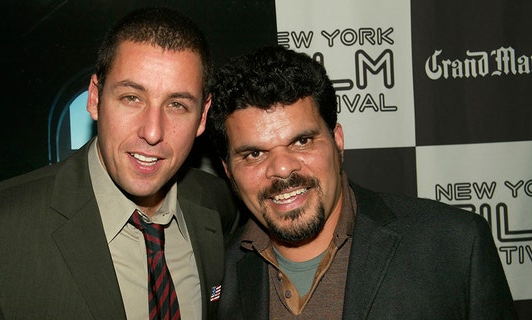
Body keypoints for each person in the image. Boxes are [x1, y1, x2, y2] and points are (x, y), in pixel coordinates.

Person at [0, 7, 237, 320]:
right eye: (132, 98)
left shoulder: (214, 204)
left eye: (177, 104)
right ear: (94, 98)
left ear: (202, 117)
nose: (152, 132)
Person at [206, 45, 517, 319]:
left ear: (337, 141)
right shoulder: (212, 274)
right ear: (228, 170)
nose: (283, 168)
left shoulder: (454, 246)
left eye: (301, 141)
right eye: (255, 153)